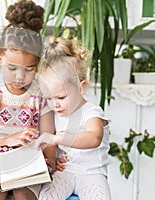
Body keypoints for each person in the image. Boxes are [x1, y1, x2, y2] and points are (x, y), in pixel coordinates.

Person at [0, 1, 56, 200]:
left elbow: (48, 135)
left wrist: (49, 159)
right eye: (12, 68)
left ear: (37, 65)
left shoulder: (41, 96)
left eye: (29, 70)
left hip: (27, 164)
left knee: (23, 193)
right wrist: (6, 140)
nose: (20, 76)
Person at [37, 36, 111, 200]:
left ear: (81, 86)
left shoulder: (91, 112)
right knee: (46, 196)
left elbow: (94, 138)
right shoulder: (55, 114)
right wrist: (53, 159)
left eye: (61, 98)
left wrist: (58, 139)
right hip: (66, 173)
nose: (55, 104)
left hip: (92, 175)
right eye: (49, 98)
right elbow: (50, 144)